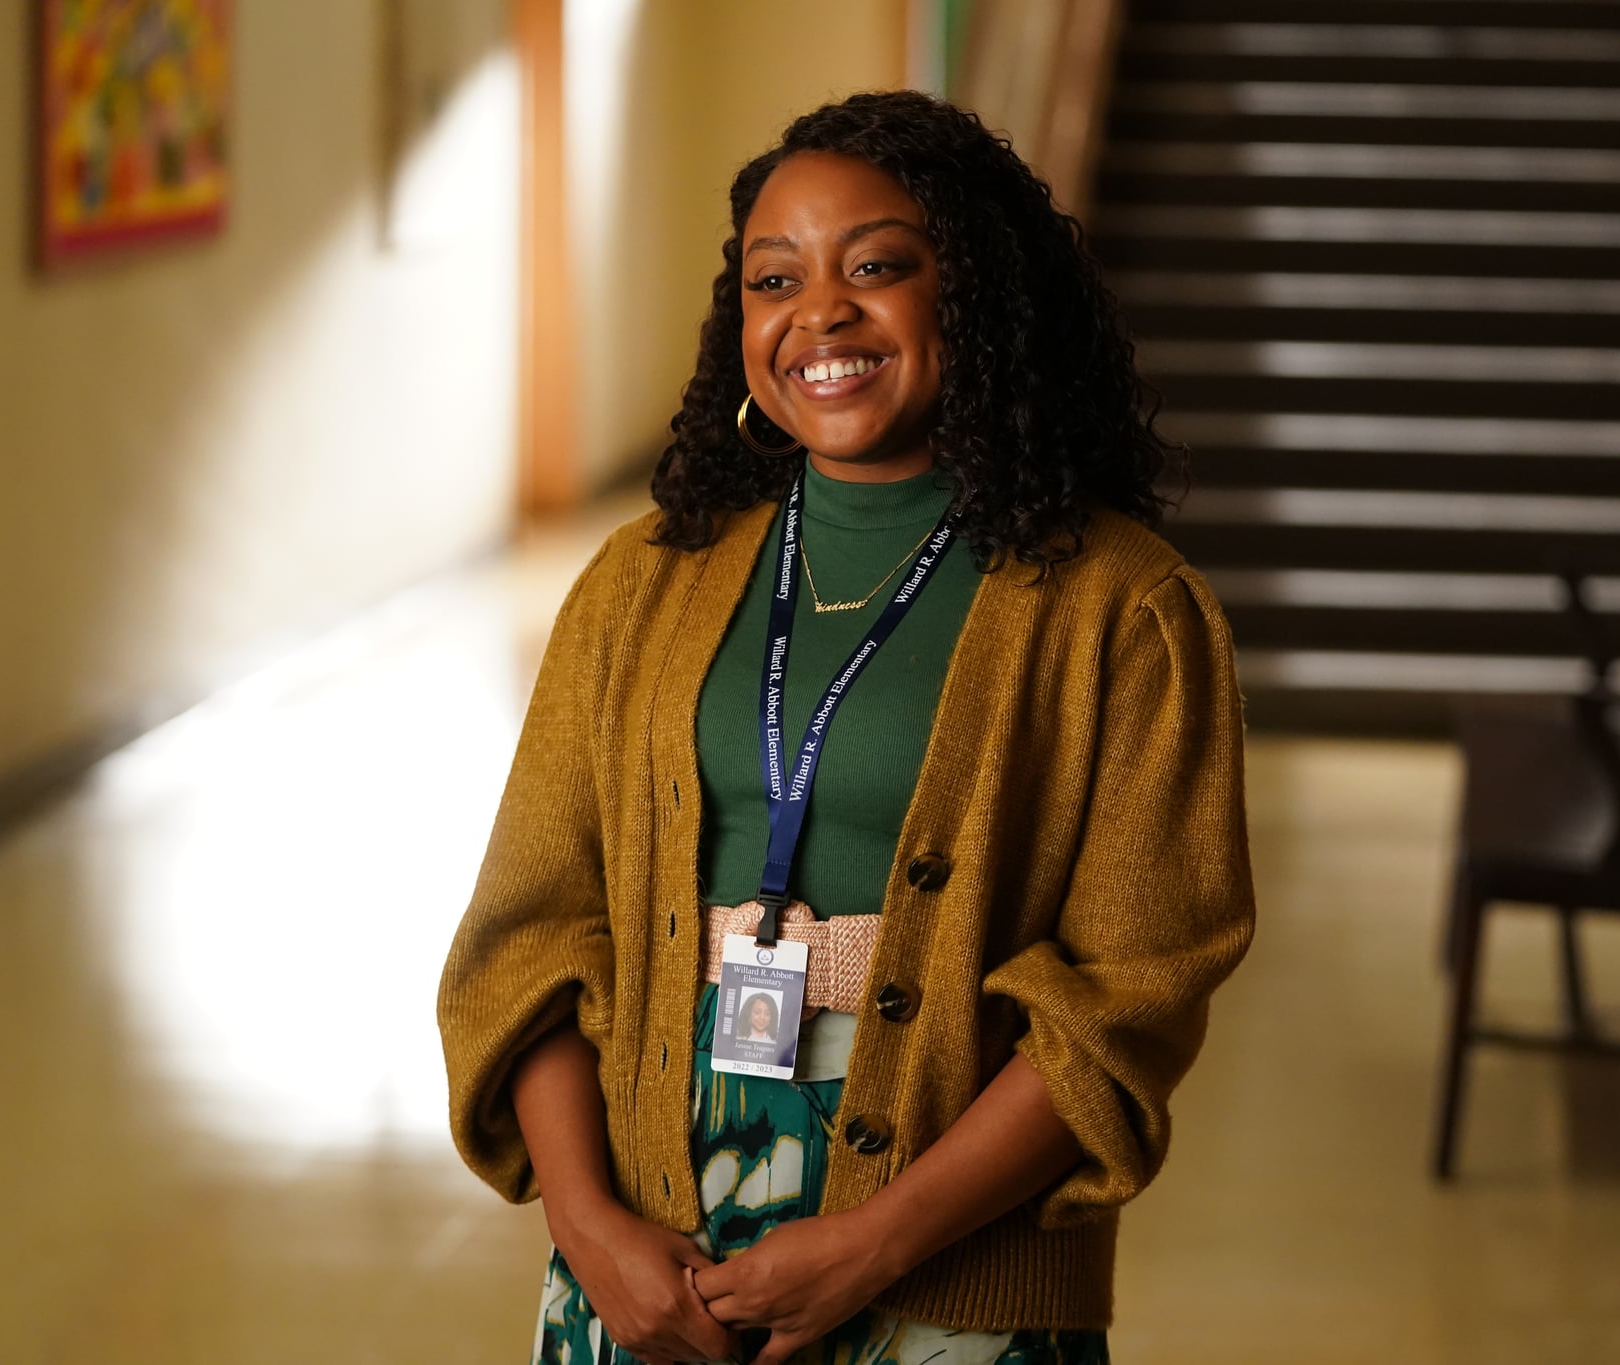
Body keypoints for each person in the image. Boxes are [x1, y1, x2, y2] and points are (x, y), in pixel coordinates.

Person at [438, 90, 1256, 1365]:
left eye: (877, 266)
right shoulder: (640, 581)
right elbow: (533, 935)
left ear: (972, 294)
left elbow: (1124, 999)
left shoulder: (1122, 610)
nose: (820, 313)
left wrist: (877, 1242)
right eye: (775, 279)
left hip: (957, 1272)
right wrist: (589, 1225)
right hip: (644, 1272)